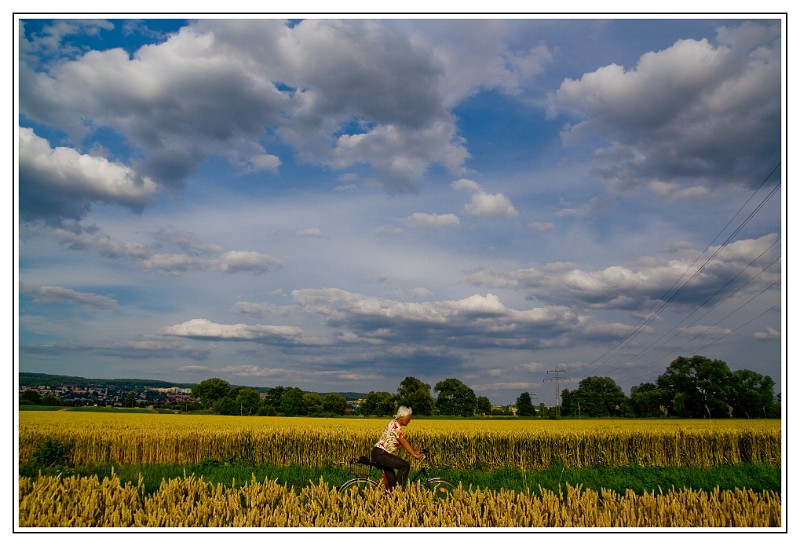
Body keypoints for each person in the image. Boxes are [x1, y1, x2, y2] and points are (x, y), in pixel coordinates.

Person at [371, 406, 423, 488]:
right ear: (402, 418)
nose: (409, 421)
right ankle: (399, 492)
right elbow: (403, 441)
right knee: (405, 465)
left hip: (380, 454)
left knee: (392, 483)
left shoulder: (393, 423)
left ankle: (393, 495)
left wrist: (414, 452)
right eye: (408, 419)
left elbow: (402, 442)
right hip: (381, 454)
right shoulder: (395, 426)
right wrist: (415, 455)